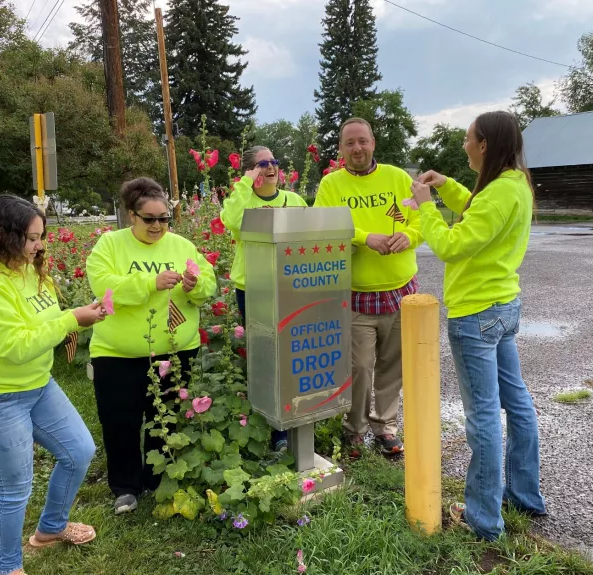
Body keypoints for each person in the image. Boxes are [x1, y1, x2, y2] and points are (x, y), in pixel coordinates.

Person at [0, 194, 103, 575]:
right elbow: (15, 345)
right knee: (13, 488)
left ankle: (50, 529)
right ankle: (9, 568)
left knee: (80, 451)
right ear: (3, 236)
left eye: (41, 236)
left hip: (37, 385)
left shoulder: (30, 271)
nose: (39, 245)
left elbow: (40, 323)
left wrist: (78, 314)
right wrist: (72, 320)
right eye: (32, 238)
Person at [407, 111, 547, 541]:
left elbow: (453, 245)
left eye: (468, 139)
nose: (465, 145)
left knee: (484, 415)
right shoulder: (514, 185)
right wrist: (446, 186)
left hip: (476, 315)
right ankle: (523, 496)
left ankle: (483, 519)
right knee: (517, 403)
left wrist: (427, 208)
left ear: (484, 145)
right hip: (503, 307)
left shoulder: (498, 193)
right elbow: (479, 211)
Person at [86, 177, 216, 515]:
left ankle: (157, 478)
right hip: (118, 353)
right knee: (120, 421)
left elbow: (209, 285)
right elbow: (104, 286)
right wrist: (150, 282)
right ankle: (125, 487)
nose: (158, 225)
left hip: (176, 350)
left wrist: (194, 284)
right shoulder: (110, 245)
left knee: (165, 417)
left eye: (164, 218)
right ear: (132, 215)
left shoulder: (181, 245)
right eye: (150, 218)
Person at [314, 118, 424, 456]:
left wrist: (409, 236)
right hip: (358, 292)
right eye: (350, 143)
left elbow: (420, 220)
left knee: (393, 364)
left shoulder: (397, 178)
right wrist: (364, 239)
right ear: (341, 149)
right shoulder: (331, 185)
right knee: (360, 367)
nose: (357, 148)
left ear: (373, 142)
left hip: (400, 288)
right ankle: (354, 429)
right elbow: (322, 228)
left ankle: (385, 426)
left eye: (363, 141)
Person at [220, 146, 307, 451]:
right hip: (255, 288)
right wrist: (244, 184)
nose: (270, 167)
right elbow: (231, 220)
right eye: (262, 164)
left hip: (290, 285)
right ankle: (272, 428)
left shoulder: (294, 201)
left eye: (273, 162)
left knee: (291, 352)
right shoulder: (244, 201)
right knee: (265, 356)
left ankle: (294, 420)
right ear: (250, 171)